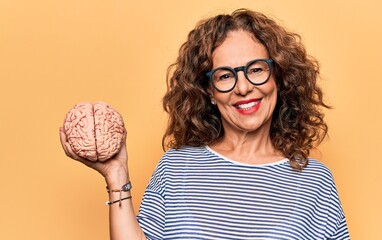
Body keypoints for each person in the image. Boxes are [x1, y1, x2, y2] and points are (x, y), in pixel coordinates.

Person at [60, 8, 350, 240]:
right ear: (209, 92)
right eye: (225, 76)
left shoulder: (315, 182)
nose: (243, 87)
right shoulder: (176, 168)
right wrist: (116, 175)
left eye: (256, 70)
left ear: (279, 77)